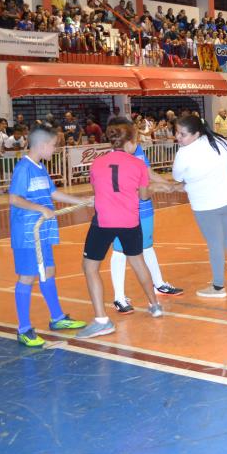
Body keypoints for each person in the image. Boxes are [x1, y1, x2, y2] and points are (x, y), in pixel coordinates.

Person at [78, 119, 163, 339]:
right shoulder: (138, 165)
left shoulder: (97, 163)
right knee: (137, 261)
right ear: (131, 142)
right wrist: (153, 188)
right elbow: (143, 196)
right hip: (129, 220)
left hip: (104, 220)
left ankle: (101, 320)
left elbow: (97, 188)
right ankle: (154, 306)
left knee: (90, 267)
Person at [8, 125, 87, 347]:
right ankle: (23, 329)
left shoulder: (40, 168)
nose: (55, 149)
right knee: (27, 276)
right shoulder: (24, 168)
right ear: (42, 145)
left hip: (42, 230)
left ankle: (57, 318)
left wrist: (81, 201)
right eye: (53, 145)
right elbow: (15, 199)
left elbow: (52, 193)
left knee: (48, 271)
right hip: (27, 232)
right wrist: (40, 209)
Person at [171, 115, 227, 297]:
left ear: (197, 133)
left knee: (215, 243)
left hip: (206, 205)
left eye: (183, 134)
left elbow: (177, 177)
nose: (178, 137)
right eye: (177, 132)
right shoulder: (220, 141)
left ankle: (218, 287)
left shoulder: (184, 153)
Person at [109, 141, 183, 315]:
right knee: (120, 251)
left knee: (147, 246)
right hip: (125, 210)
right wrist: (158, 187)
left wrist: (169, 184)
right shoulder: (115, 157)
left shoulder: (139, 150)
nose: (136, 143)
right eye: (133, 140)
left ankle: (159, 284)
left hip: (145, 209)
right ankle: (119, 297)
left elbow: (148, 172)